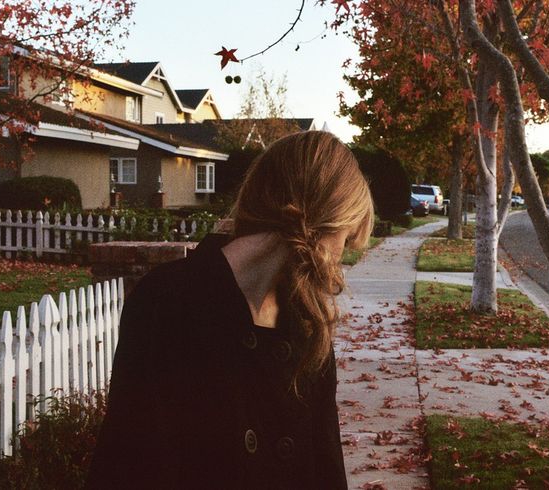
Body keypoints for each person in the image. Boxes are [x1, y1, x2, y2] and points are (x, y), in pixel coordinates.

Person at [84, 130, 374, 489]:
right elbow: (127, 462)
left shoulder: (306, 320)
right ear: (323, 220)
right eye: (346, 237)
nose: (340, 257)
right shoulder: (168, 301)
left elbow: (325, 467)